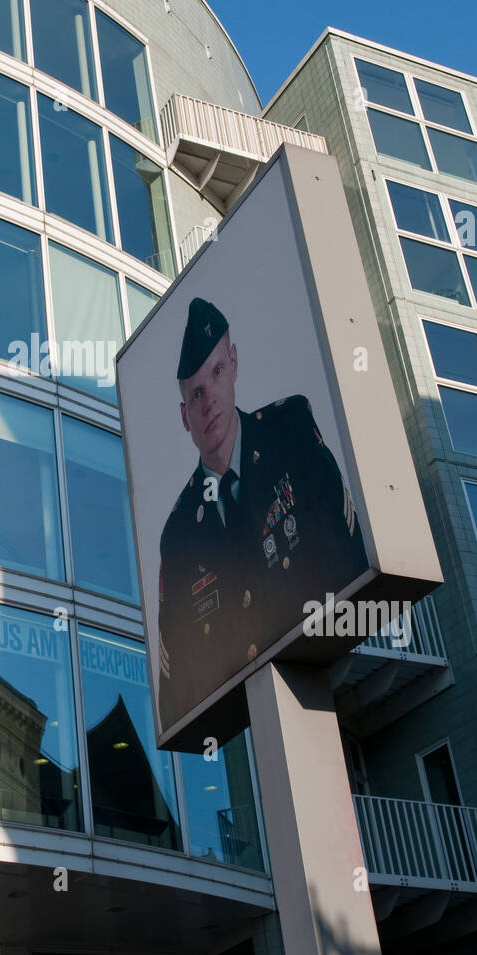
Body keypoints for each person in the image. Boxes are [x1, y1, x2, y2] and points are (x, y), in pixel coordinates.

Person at [158, 297, 368, 732]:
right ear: (184, 416)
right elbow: (179, 695)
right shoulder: (177, 535)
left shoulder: (289, 431)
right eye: (195, 394)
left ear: (234, 364)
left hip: (331, 687)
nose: (209, 401)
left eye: (217, 373)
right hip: (255, 733)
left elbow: (351, 555)